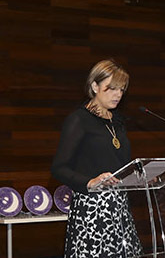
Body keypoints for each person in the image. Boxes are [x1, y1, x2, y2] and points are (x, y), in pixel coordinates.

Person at [51, 59, 142, 257]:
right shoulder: (79, 120)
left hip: (120, 207)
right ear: (95, 86)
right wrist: (89, 182)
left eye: (122, 89)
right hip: (92, 209)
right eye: (112, 88)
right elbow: (59, 168)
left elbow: (121, 165)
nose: (118, 94)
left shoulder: (117, 122)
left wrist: (141, 177)